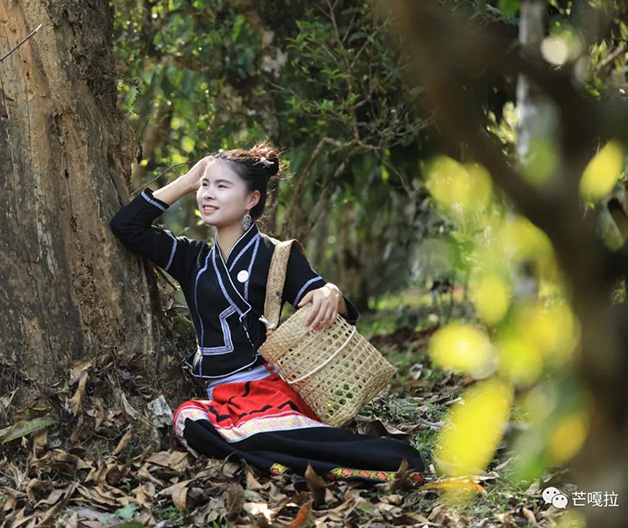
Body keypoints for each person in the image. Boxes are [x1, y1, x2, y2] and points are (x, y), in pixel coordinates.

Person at [109, 142, 425, 484]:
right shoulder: (192, 259)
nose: (208, 194)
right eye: (205, 185)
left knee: (263, 435)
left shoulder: (277, 257)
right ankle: (285, 457)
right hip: (221, 396)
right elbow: (126, 226)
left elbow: (338, 311)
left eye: (222, 186)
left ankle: (374, 461)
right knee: (190, 420)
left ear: (252, 199)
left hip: (268, 389)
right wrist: (186, 181)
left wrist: (330, 292)